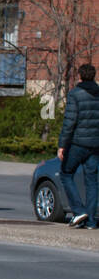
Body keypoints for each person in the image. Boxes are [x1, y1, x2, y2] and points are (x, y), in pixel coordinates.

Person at [57, 63, 99, 229]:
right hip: (96, 145)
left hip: (78, 143)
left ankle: (78, 210)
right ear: (94, 76)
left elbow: (69, 122)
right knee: (92, 181)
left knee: (66, 173)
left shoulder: (75, 94)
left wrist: (62, 145)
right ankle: (91, 222)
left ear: (80, 76)